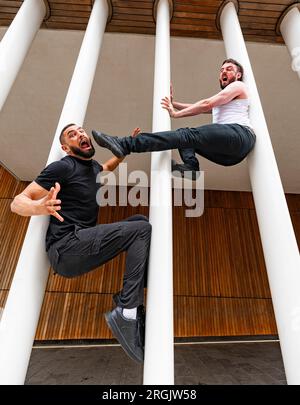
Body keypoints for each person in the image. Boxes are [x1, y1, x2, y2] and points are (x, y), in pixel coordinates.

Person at [10, 124, 152, 363]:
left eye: (82, 131)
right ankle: (127, 311)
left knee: (141, 221)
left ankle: (127, 298)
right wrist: (38, 207)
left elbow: (107, 167)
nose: (81, 135)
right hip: (66, 248)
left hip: (82, 243)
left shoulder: (92, 168)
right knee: (141, 230)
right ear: (66, 148)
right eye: (72, 134)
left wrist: (125, 147)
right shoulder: (63, 166)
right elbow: (17, 202)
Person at [91, 59, 256, 179]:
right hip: (230, 156)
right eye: (221, 70)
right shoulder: (227, 100)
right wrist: (173, 103)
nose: (224, 72)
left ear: (238, 75)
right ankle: (191, 168)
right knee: (186, 139)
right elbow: (200, 107)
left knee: (186, 134)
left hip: (240, 135)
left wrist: (175, 114)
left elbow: (206, 104)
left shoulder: (238, 86)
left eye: (229, 69)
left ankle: (125, 143)